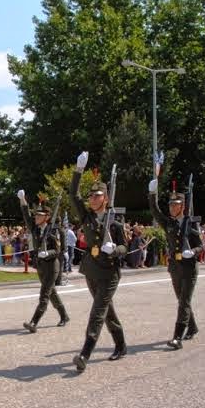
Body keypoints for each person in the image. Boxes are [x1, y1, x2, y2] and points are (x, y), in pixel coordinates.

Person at [69, 152, 128, 372]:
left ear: (106, 198)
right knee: (106, 310)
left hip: (110, 273)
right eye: (91, 196)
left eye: (97, 196)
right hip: (92, 271)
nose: (93, 199)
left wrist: (114, 250)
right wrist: (78, 171)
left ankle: (85, 353)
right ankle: (121, 344)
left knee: (97, 312)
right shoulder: (87, 217)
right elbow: (73, 195)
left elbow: (125, 248)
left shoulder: (116, 222)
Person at [148, 176, 203, 350]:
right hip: (175, 268)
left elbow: (201, 246)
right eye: (171, 205)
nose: (172, 207)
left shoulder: (190, 224)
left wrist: (192, 251)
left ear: (182, 206)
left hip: (189, 268)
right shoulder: (168, 224)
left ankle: (177, 338)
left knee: (184, 301)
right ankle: (192, 327)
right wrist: (151, 194)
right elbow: (155, 211)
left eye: (175, 204)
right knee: (181, 300)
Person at [18, 191, 69, 332]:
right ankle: (64, 316)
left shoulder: (53, 230)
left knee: (44, 294)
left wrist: (48, 252)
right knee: (51, 292)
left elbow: (59, 250)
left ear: (46, 218)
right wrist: (23, 200)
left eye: (39, 215)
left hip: (52, 265)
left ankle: (34, 322)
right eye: (36, 215)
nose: (36, 217)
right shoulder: (35, 228)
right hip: (40, 265)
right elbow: (26, 215)